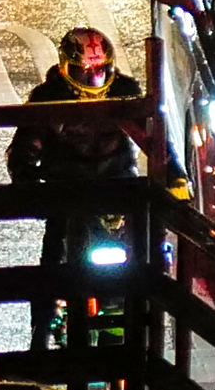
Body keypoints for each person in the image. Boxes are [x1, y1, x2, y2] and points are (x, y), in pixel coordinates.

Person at [19, 23, 154, 362]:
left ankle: (134, 338)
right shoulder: (48, 98)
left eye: (100, 70)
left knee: (144, 264)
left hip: (117, 196)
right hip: (67, 194)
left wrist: (177, 178)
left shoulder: (125, 91)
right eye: (86, 71)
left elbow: (155, 139)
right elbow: (24, 149)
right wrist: (29, 186)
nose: (94, 78)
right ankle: (42, 335)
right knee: (53, 263)